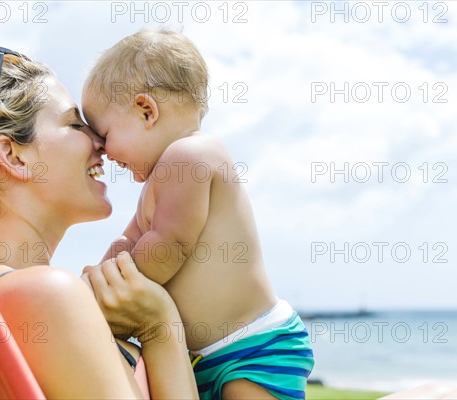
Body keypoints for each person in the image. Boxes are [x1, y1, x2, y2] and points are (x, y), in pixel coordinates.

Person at [0, 46, 197, 399]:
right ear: (14, 156)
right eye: (74, 124)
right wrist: (160, 328)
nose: (102, 143)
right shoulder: (45, 297)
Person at [81, 29, 314, 400]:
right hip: (206, 355)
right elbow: (129, 242)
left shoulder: (191, 156)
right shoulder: (159, 181)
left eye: (105, 133)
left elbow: (168, 247)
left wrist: (116, 291)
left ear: (146, 111)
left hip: (252, 345)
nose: (103, 151)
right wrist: (92, 284)